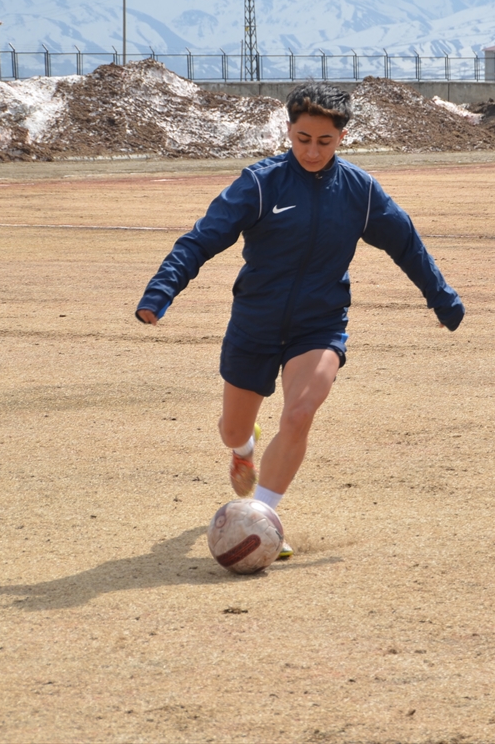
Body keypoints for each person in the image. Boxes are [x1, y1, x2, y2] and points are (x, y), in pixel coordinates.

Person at [135, 82, 464, 558]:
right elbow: (200, 240)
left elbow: (405, 242)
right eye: (302, 139)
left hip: (320, 324)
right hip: (255, 322)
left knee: (300, 413)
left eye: (324, 141)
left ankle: (263, 520)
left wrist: (442, 299)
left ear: (342, 138)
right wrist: (161, 292)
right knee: (232, 429)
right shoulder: (260, 183)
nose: (312, 150)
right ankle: (244, 448)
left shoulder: (360, 192)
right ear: (288, 130)